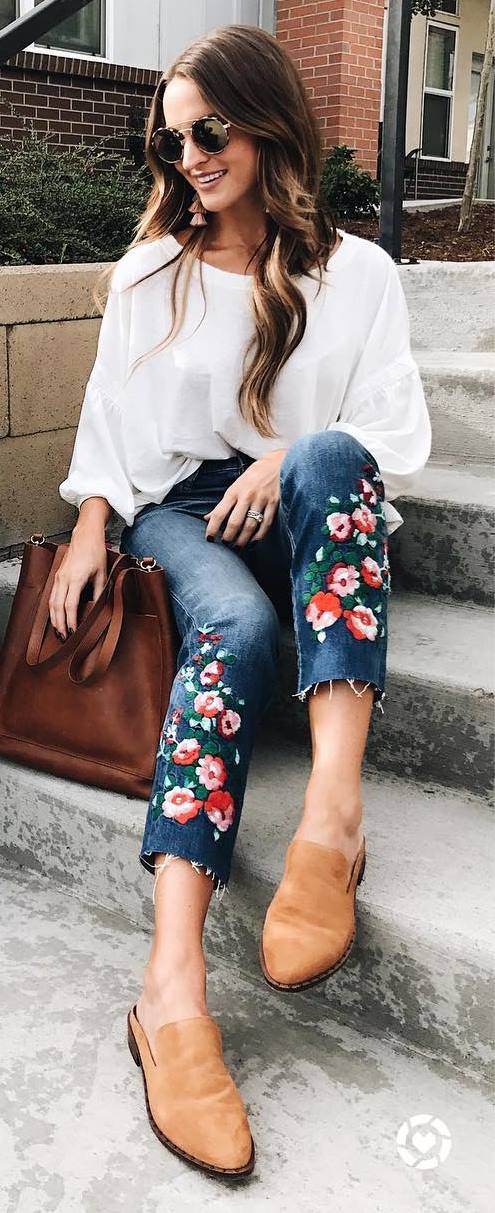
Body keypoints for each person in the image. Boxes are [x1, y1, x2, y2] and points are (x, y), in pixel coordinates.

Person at [53, 24, 431, 1179]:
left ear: (265, 124)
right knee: (239, 627)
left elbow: (389, 438)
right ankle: (170, 991)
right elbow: (113, 428)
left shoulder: (355, 272)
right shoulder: (149, 272)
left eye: (208, 131)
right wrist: (88, 527)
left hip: (310, 510)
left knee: (328, 459)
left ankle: (330, 818)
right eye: (172, 140)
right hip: (186, 515)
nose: (191, 157)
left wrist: (292, 456)